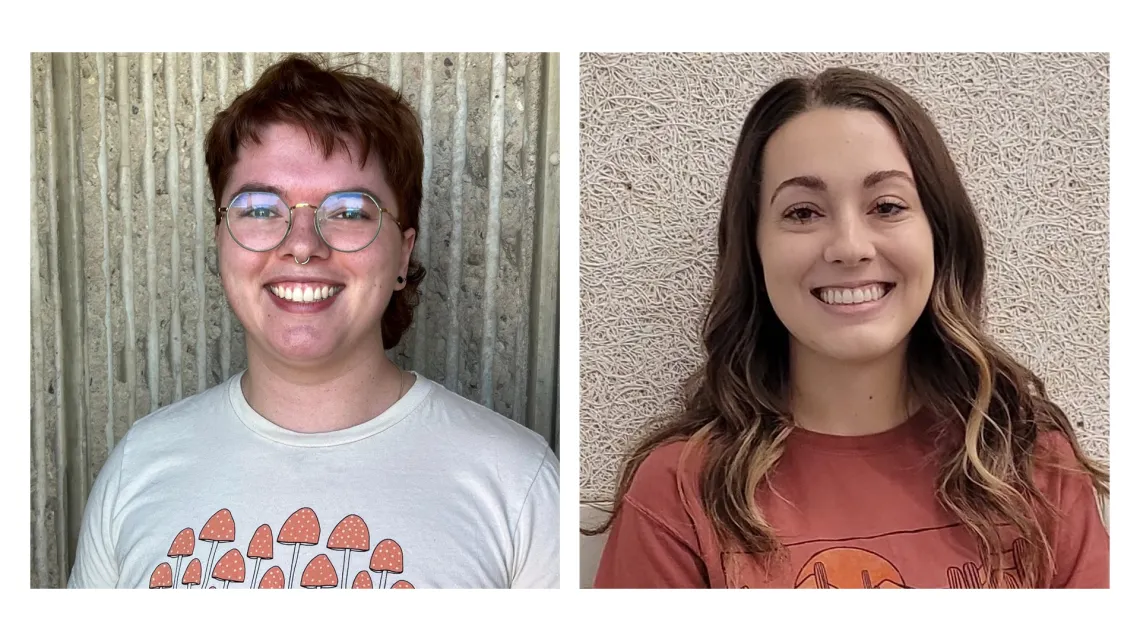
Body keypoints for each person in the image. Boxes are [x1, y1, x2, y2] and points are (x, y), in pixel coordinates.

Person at [590, 67, 1108, 589]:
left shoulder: (1036, 469)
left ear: (939, 235)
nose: (849, 247)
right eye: (803, 212)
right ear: (755, 249)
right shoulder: (679, 494)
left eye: (887, 206)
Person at [69, 55, 559, 589]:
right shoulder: (138, 465)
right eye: (259, 208)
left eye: (350, 210)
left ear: (402, 254)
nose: (302, 244)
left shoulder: (518, 484)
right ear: (220, 243)